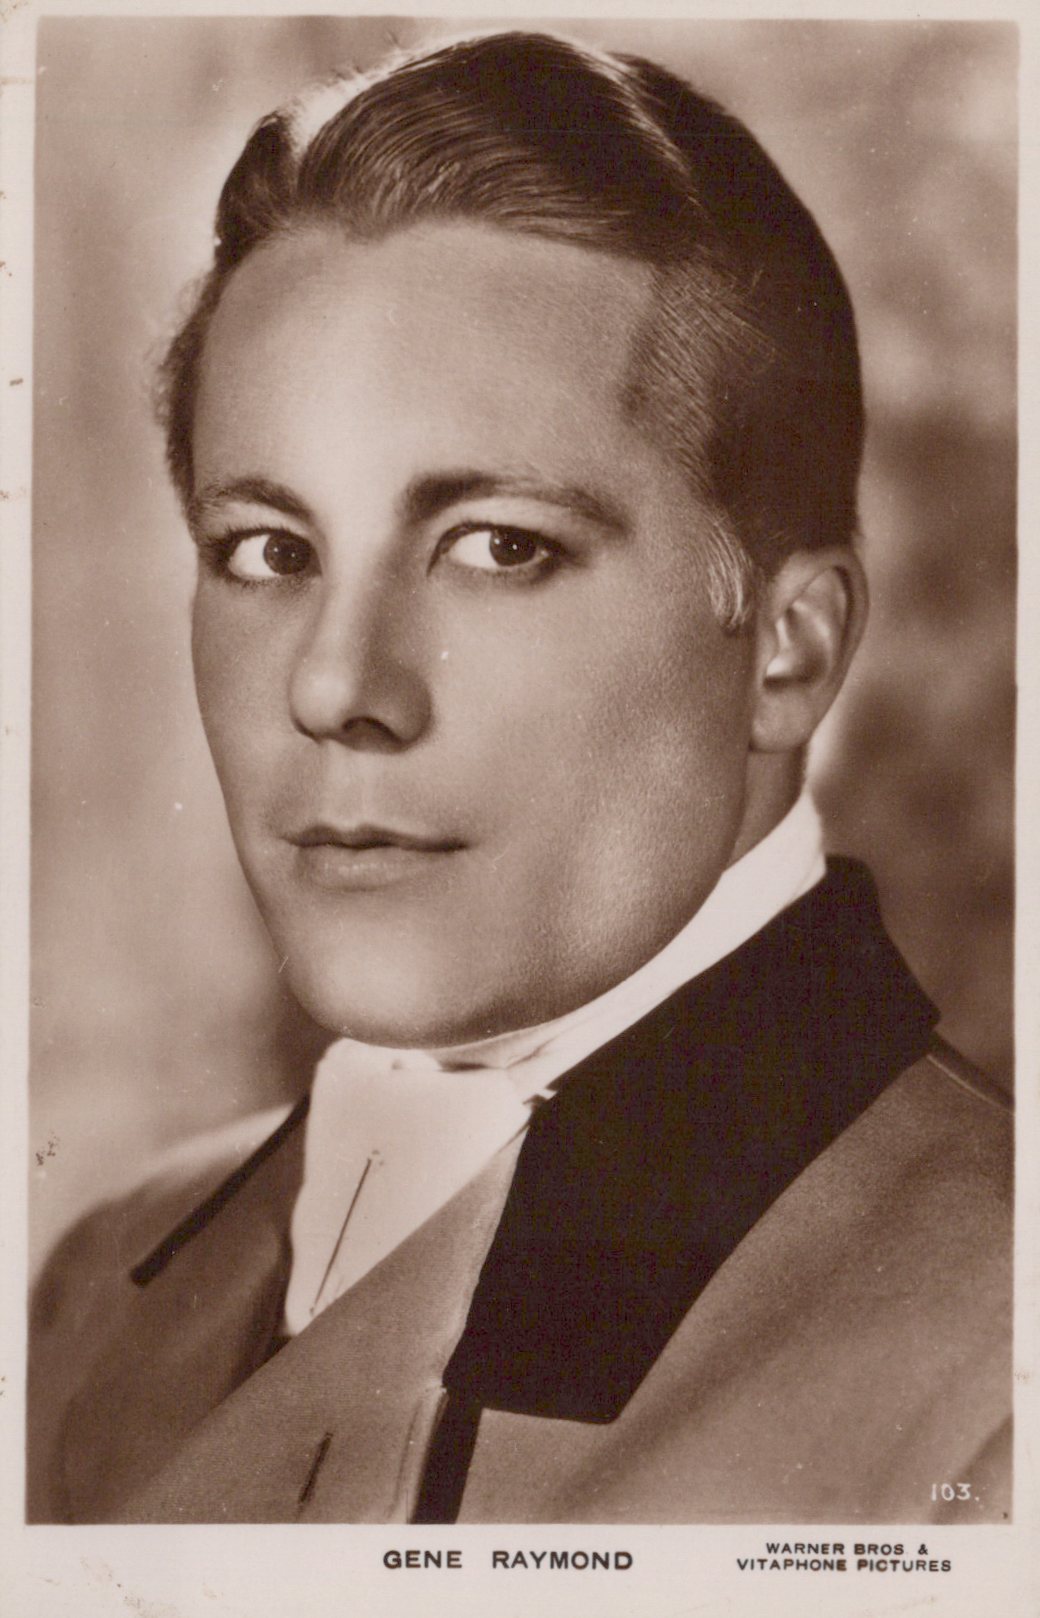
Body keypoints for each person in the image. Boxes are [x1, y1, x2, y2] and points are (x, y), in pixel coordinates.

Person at [27, 28, 1011, 1525]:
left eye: (499, 545)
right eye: (267, 552)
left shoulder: (999, 1358)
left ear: (789, 651)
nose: (337, 687)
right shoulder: (94, 1294)